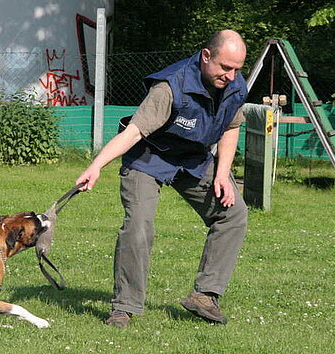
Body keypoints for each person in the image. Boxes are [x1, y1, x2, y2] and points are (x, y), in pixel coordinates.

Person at [76, 30, 248, 327]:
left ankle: (205, 296)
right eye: (225, 68)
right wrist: (97, 166)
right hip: (149, 157)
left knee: (232, 213)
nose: (231, 76)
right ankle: (124, 307)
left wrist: (222, 174)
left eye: (237, 68)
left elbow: (232, 126)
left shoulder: (233, 84)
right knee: (139, 224)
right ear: (206, 56)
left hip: (193, 158)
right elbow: (134, 132)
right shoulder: (171, 87)